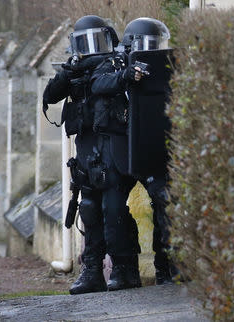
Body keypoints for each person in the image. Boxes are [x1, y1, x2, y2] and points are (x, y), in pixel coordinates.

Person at [91, 17, 180, 286]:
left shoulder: (165, 65)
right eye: (147, 45)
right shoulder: (113, 62)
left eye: (157, 45)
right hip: (119, 148)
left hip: (150, 146)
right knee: (112, 205)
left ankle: (167, 266)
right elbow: (98, 84)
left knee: (165, 200)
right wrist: (125, 76)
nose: (152, 50)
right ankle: (123, 268)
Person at [42, 15, 121, 295]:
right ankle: (92, 271)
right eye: (85, 43)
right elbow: (50, 95)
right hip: (86, 143)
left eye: (96, 41)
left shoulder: (114, 64)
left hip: (111, 140)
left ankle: (123, 270)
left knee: (112, 208)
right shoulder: (75, 70)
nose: (91, 48)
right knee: (88, 207)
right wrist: (68, 71)